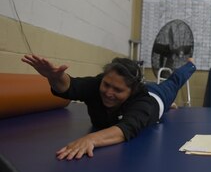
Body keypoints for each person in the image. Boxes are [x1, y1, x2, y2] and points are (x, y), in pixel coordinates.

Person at [21, 54, 196, 161]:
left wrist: (91, 139)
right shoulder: (99, 85)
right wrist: (54, 77)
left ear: (131, 90)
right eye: (107, 85)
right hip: (141, 94)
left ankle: (191, 64)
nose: (108, 93)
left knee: (174, 81)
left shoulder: (143, 103)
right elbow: (70, 86)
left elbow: (126, 128)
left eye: (118, 90)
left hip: (158, 97)